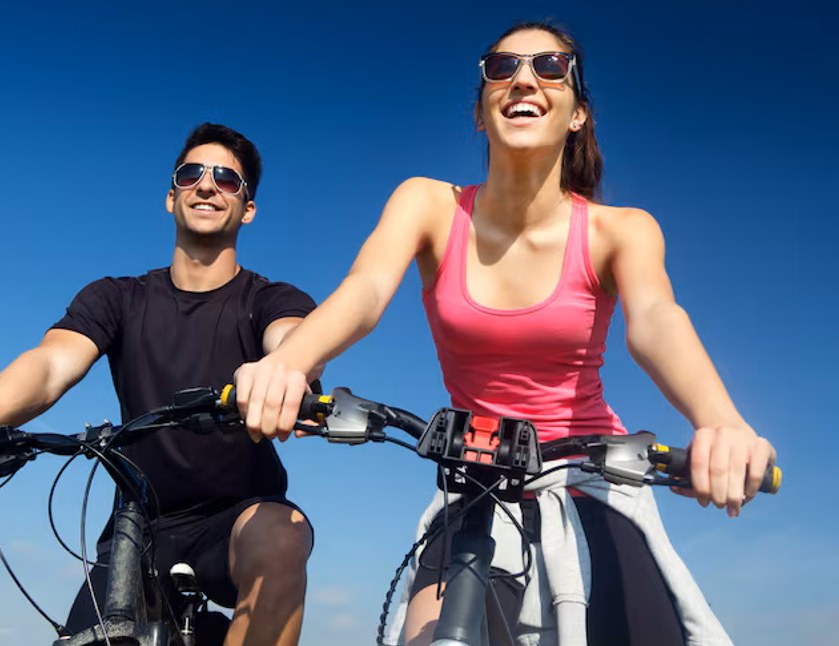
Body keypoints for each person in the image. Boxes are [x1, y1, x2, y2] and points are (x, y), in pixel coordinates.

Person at [232, 21, 775, 645]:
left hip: (591, 475)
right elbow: (365, 290)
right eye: (501, 66)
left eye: (549, 67)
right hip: (475, 476)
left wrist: (721, 421)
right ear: (481, 110)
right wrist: (290, 363)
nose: (523, 78)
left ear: (577, 113)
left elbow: (655, 321)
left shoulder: (621, 230)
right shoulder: (428, 204)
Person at [0, 123, 317, 646]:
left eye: (228, 180)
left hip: (239, 519)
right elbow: (51, 364)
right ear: (172, 197)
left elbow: (296, 343)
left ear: (248, 208)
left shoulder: (269, 299)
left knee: (283, 535)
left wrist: (286, 370)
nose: (208, 186)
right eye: (192, 174)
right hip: (137, 525)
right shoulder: (118, 298)